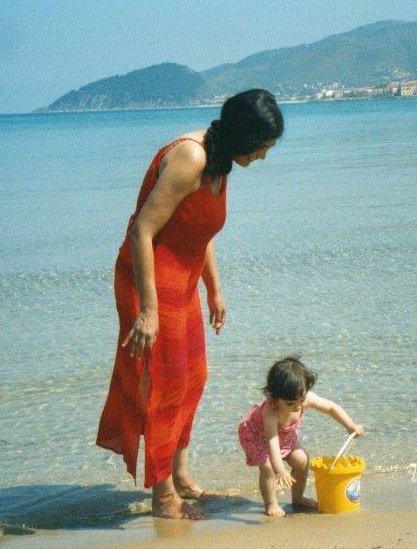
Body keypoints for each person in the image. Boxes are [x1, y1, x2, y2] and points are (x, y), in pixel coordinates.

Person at [96, 89, 284, 520]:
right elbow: (142, 230)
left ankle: (179, 475)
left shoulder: (221, 162)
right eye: (263, 145)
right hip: (148, 280)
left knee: (193, 377)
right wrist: (148, 309)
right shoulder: (192, 158)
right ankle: (163, 496)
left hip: (182, 279)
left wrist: (214, 288)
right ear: (242, 136)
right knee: (164, 386)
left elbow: (199, 232)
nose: (264, 155)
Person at [238, 356, 365, 517]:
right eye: (290, 404)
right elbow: (272, 441)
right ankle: (271, 502)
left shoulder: (303, 398)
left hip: (285, 434)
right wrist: (280, 470)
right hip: (257, 436)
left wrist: (350, 425)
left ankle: (297, 498)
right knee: (268, 468)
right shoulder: (271, 412)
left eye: (301, 400)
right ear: (275, 397)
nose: (297, 406)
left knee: (302, 461)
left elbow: (331, 408)